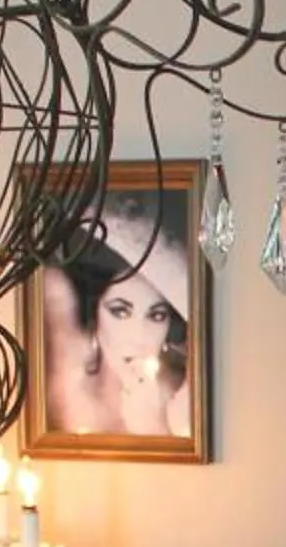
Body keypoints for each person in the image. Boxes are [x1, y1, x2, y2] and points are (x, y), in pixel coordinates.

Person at [41, 184, 195, 438]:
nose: (140, 334)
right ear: (94, 315)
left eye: (156, 315)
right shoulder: (64, 388)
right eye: (120, 312)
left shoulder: (184, 401)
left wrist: (153, 425)